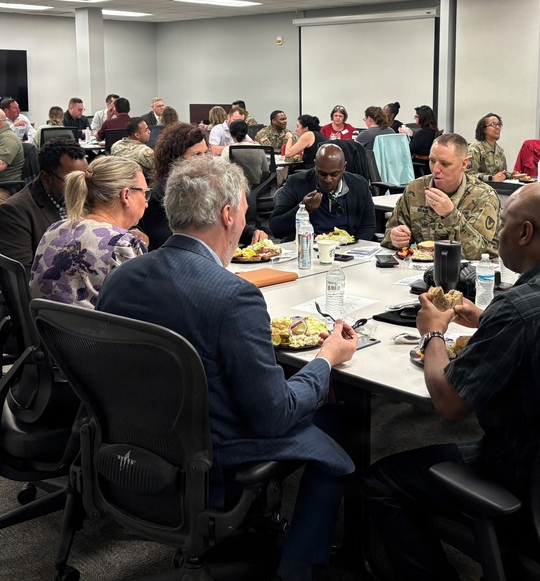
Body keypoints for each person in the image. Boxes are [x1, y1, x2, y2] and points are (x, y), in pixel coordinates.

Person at [96, 159, 358, 581]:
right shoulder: (234, 295)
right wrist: (326, 358)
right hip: (211, 457)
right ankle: (297, 568)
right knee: (335, 425)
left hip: (139, 443)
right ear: (228, 214)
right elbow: (274, 415)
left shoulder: (122, 276)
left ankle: (259, 526)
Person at [364, 183, 540, 581]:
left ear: (525, 232)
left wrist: (433, 333)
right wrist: (486, 320)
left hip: (528, 478)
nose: (498, 235)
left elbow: (450, 405)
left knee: (380, 481)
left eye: (505, 225)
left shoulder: (519, 308)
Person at [30, 155, 148, 308]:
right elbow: (143, 307)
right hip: (93, 331)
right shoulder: (123, 244)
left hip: (45, 329)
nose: (146, 203)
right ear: (126, 195)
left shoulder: (55, 228)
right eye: (145, 193)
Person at [143, 123, 265, 250]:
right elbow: (165, 241)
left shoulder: (210, 187)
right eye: (196, 155)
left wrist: (252, 233)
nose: (204, 160)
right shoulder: (157, 197)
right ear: (175, 159)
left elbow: (225, 221)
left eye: (206, 153)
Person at [381, 133, 500, 261]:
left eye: (445, 164)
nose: (435, 169)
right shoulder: (416, 189)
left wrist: (450, 214)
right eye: (432, 161)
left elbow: (476, 253)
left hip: (474, 273)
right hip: (423, 269)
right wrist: (395, 238)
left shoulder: (483, 196)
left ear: (464, 164)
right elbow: (389, 235)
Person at [0, 138, 88, 269]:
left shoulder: (86, 197)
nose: (81, 187)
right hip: (51, 285)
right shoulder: (14, 212)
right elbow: (21, 277)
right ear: (46, 177)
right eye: (71, 181)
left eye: (84, 179)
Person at [270, 143, 376, 241]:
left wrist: (351, 247)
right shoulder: (297, 182)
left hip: (347, 251)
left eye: (334, 174)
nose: (328, 179)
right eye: (322, 174)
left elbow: (368, 226)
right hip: (308, 249)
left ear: (344, 167)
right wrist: (304, 208)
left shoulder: (359, 185)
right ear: (315, 165)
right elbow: (276, 228)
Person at [468, 113, 510, 182]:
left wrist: (511, 175)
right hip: (478, 189)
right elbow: (468, 175)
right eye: (493, 125)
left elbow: (502, 172)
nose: (497, 127)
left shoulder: (499, 150)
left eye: (499, 125)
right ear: (484, 130)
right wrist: (491, 178)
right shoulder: (474, 149)